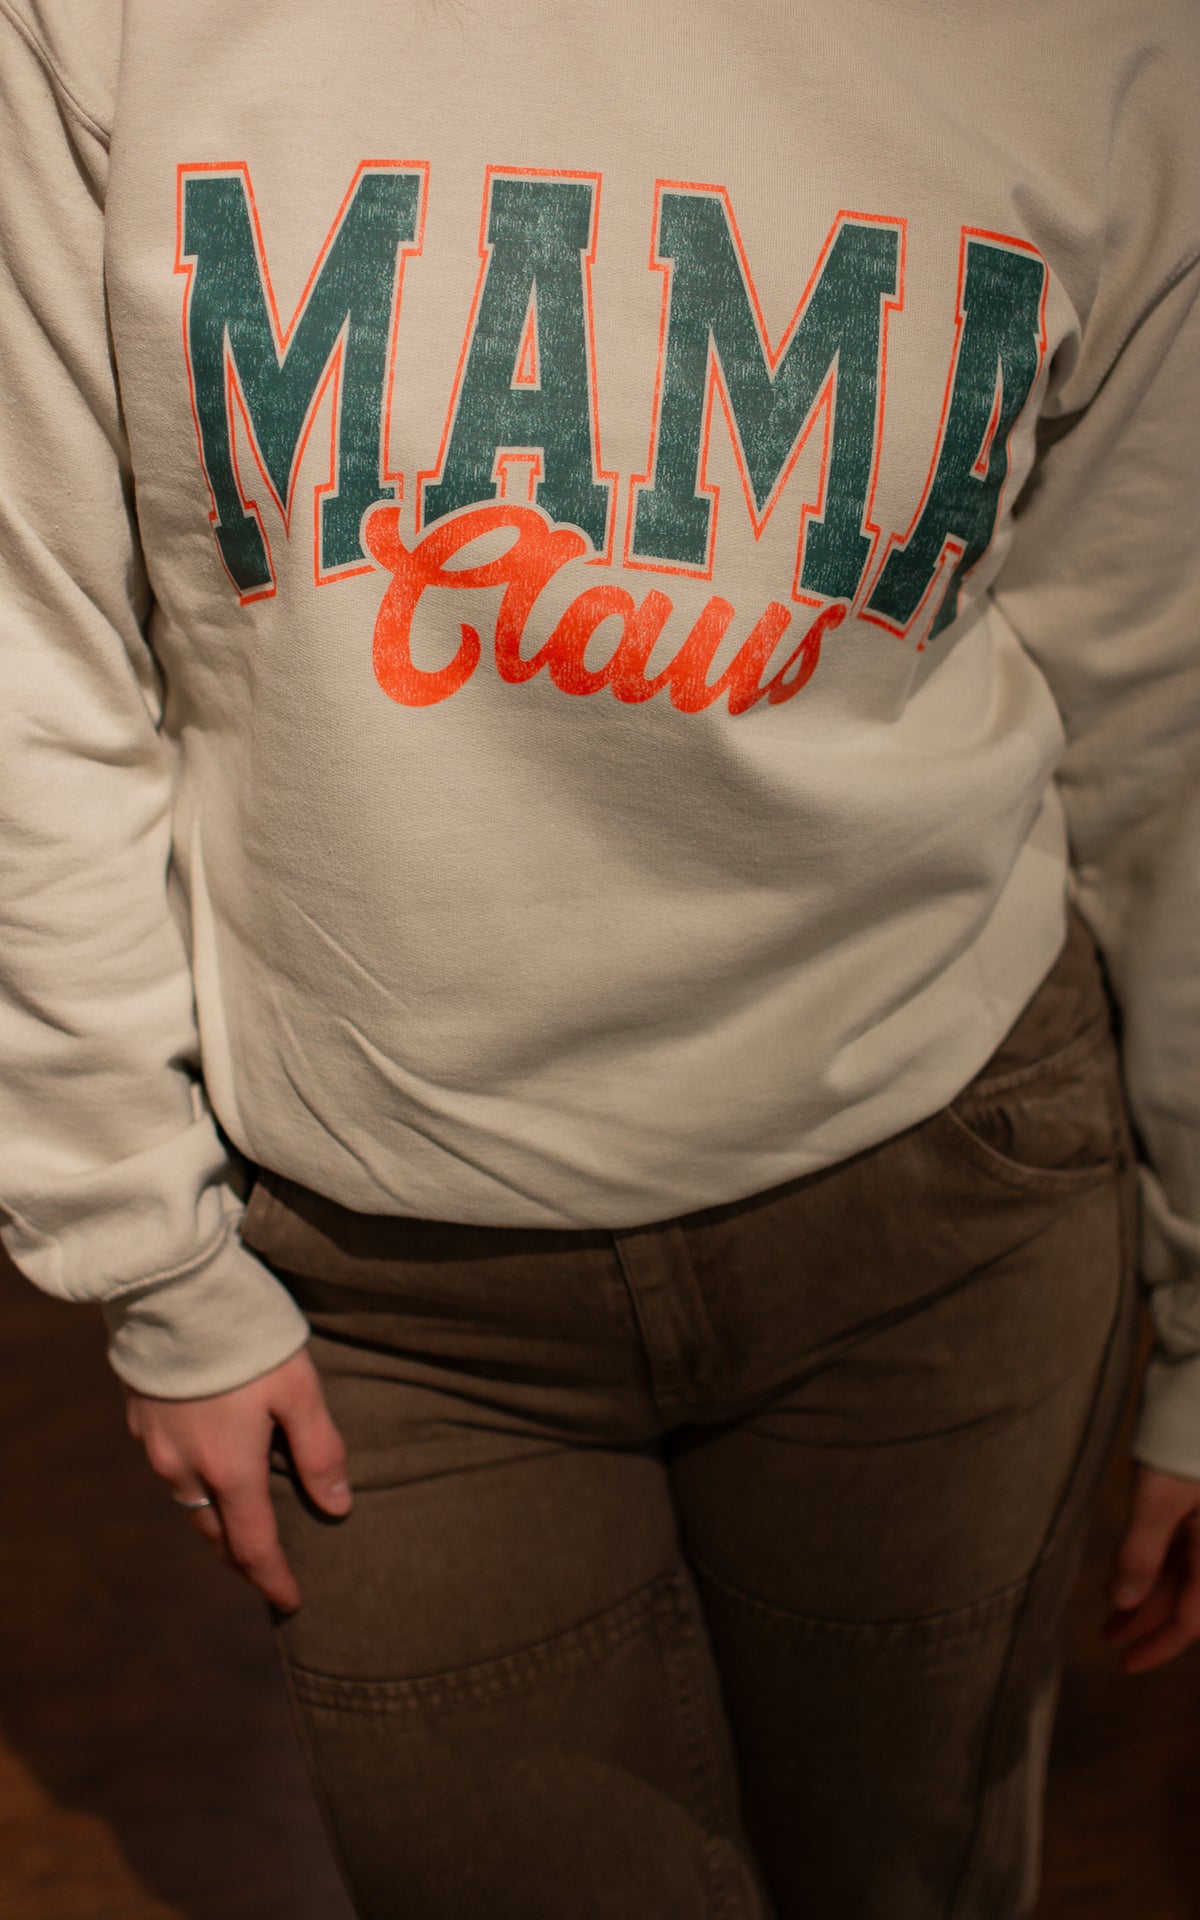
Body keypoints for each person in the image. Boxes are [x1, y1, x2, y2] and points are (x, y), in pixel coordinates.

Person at [1, 1, 1198, 1914]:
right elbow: (33, 668)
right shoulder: (112, 27)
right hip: (387, 1291)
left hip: (941, 1206)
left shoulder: (1108, 44)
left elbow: (1162, 697)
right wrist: (144, 1249)